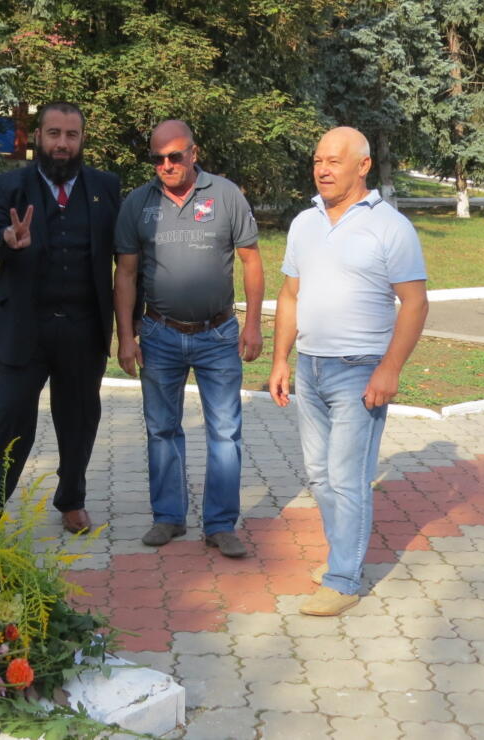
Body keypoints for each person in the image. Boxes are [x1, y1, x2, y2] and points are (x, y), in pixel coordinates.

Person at [268, 127, 428, 615]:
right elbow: (290, 296)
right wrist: (280, 359)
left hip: (361, 371)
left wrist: (390, 369)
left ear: (363, 166)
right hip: (310, 367)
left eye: (334, 161)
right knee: (319, 475)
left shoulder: (390, 227)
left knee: (347, 476)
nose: (322, 170)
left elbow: (415, 303)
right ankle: (343, 557)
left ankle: (343, 580)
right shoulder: (304, 223)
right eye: (318, 160)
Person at [113, 120, 265, 557]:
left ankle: (220, 525)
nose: (166, 165)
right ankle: (168, 517)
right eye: (157, 158)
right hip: (159, 334)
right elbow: (125, 274)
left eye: (175, 156)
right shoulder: (138, 204)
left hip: (218, 334)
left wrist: (253, 324)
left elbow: (251, 261)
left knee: (226, 432)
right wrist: (125, 337)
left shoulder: (226, 195)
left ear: (193, 154)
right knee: (161, 429)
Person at [0, 102, 121, 534]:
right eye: (54, 133)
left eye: (71, 135)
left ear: (82, 139)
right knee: (8, 420)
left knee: (79, 421)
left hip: (83, 328)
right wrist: (6, 237)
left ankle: (72, 499)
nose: (62, 144)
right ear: (38, 136)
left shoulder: (105, 187)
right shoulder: (9, 186)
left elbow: (125, 255)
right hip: (23, 328)